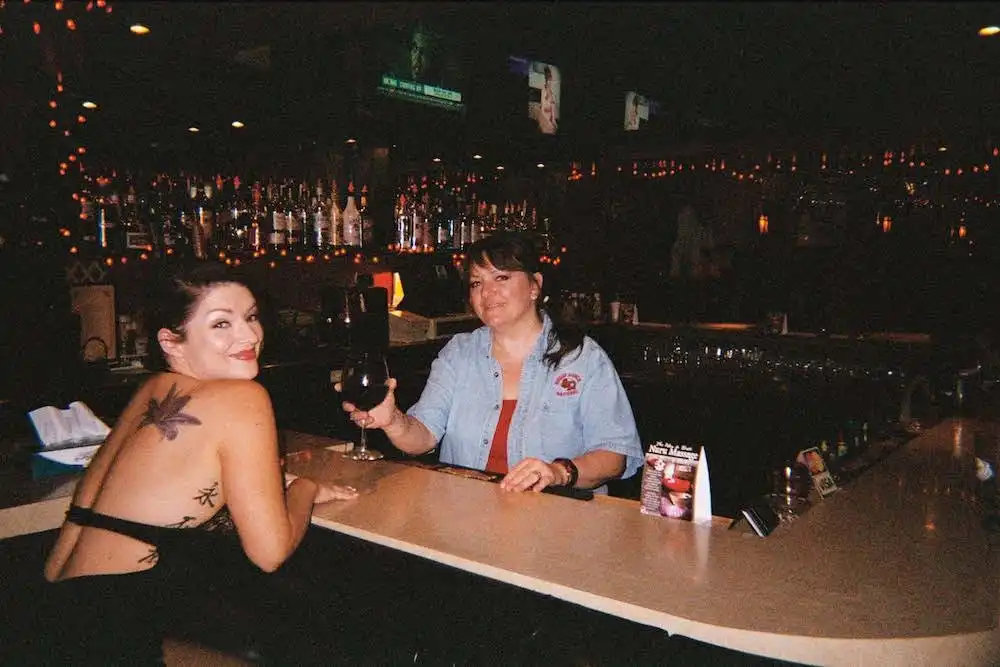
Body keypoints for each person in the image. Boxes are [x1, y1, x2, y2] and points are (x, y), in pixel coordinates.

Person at [41, 262, 357, 665]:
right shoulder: (243, 398)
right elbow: (270, 552)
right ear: (172, 342)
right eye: (221, 323)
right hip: (117, 637)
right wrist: (304, 488)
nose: (250, 335)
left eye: (251, 317)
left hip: (59, 617)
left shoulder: (153, 388)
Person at [341, 231, 643, 494]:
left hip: (555, 519)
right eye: (476, 283)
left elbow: (614, 455)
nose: (487, 292)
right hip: (466, 514)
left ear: (535, 285)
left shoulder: (582, 358)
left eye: (501, 277)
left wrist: (558, 472)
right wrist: (392, 420)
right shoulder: (459, 354)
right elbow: (424, 437)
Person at [538, 65, 559, 134]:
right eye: (549, 80)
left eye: (551, 81)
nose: (550, 83)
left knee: (553, 127)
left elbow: (552, 105)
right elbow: (543, 108)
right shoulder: (544, 90)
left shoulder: (550, 93)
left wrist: (553, 119)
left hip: (549, 115)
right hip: (545, 116)